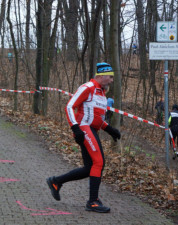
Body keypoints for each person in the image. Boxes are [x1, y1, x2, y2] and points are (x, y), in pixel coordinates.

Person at [46, 62, 121, 213]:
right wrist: (75, 127)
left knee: (89, 168)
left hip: (92, 129)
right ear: (101, 75)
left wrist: (110, 129)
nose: (112, 80)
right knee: (99, 162)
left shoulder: (101, 93)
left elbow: (97, 118)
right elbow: (69, 106)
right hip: (83, 128)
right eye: (110, 77)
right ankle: (93, 202)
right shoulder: (87, 88)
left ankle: (56, 181)